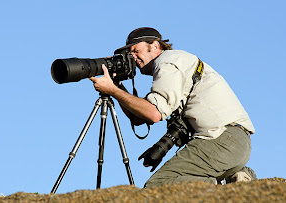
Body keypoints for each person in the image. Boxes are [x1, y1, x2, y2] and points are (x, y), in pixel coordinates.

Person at [89, 27, 257, 188]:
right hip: (236, 142)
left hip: (221, 140)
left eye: (135, 50)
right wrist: (116, 86)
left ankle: (225, 189)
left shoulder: (167, 62)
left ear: (154, 45)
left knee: (158, 186)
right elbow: (139, 118)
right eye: (130, 53)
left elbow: (154, 113)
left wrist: (111, 90)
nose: (133, 57)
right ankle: (239, 177)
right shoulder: (178, 61)